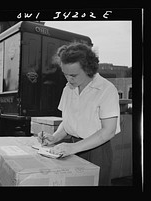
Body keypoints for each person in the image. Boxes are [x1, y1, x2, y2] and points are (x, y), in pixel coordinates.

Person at [38, 42, 120, 186]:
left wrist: (74, 148)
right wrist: (55, 137)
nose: (69, 79)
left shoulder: (106, 89)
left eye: (74, 75)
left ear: (88, 69)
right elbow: (68, 121)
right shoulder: (68, 89)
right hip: (72, 146)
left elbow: (108, 131)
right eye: (65, 74)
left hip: (97, 150)